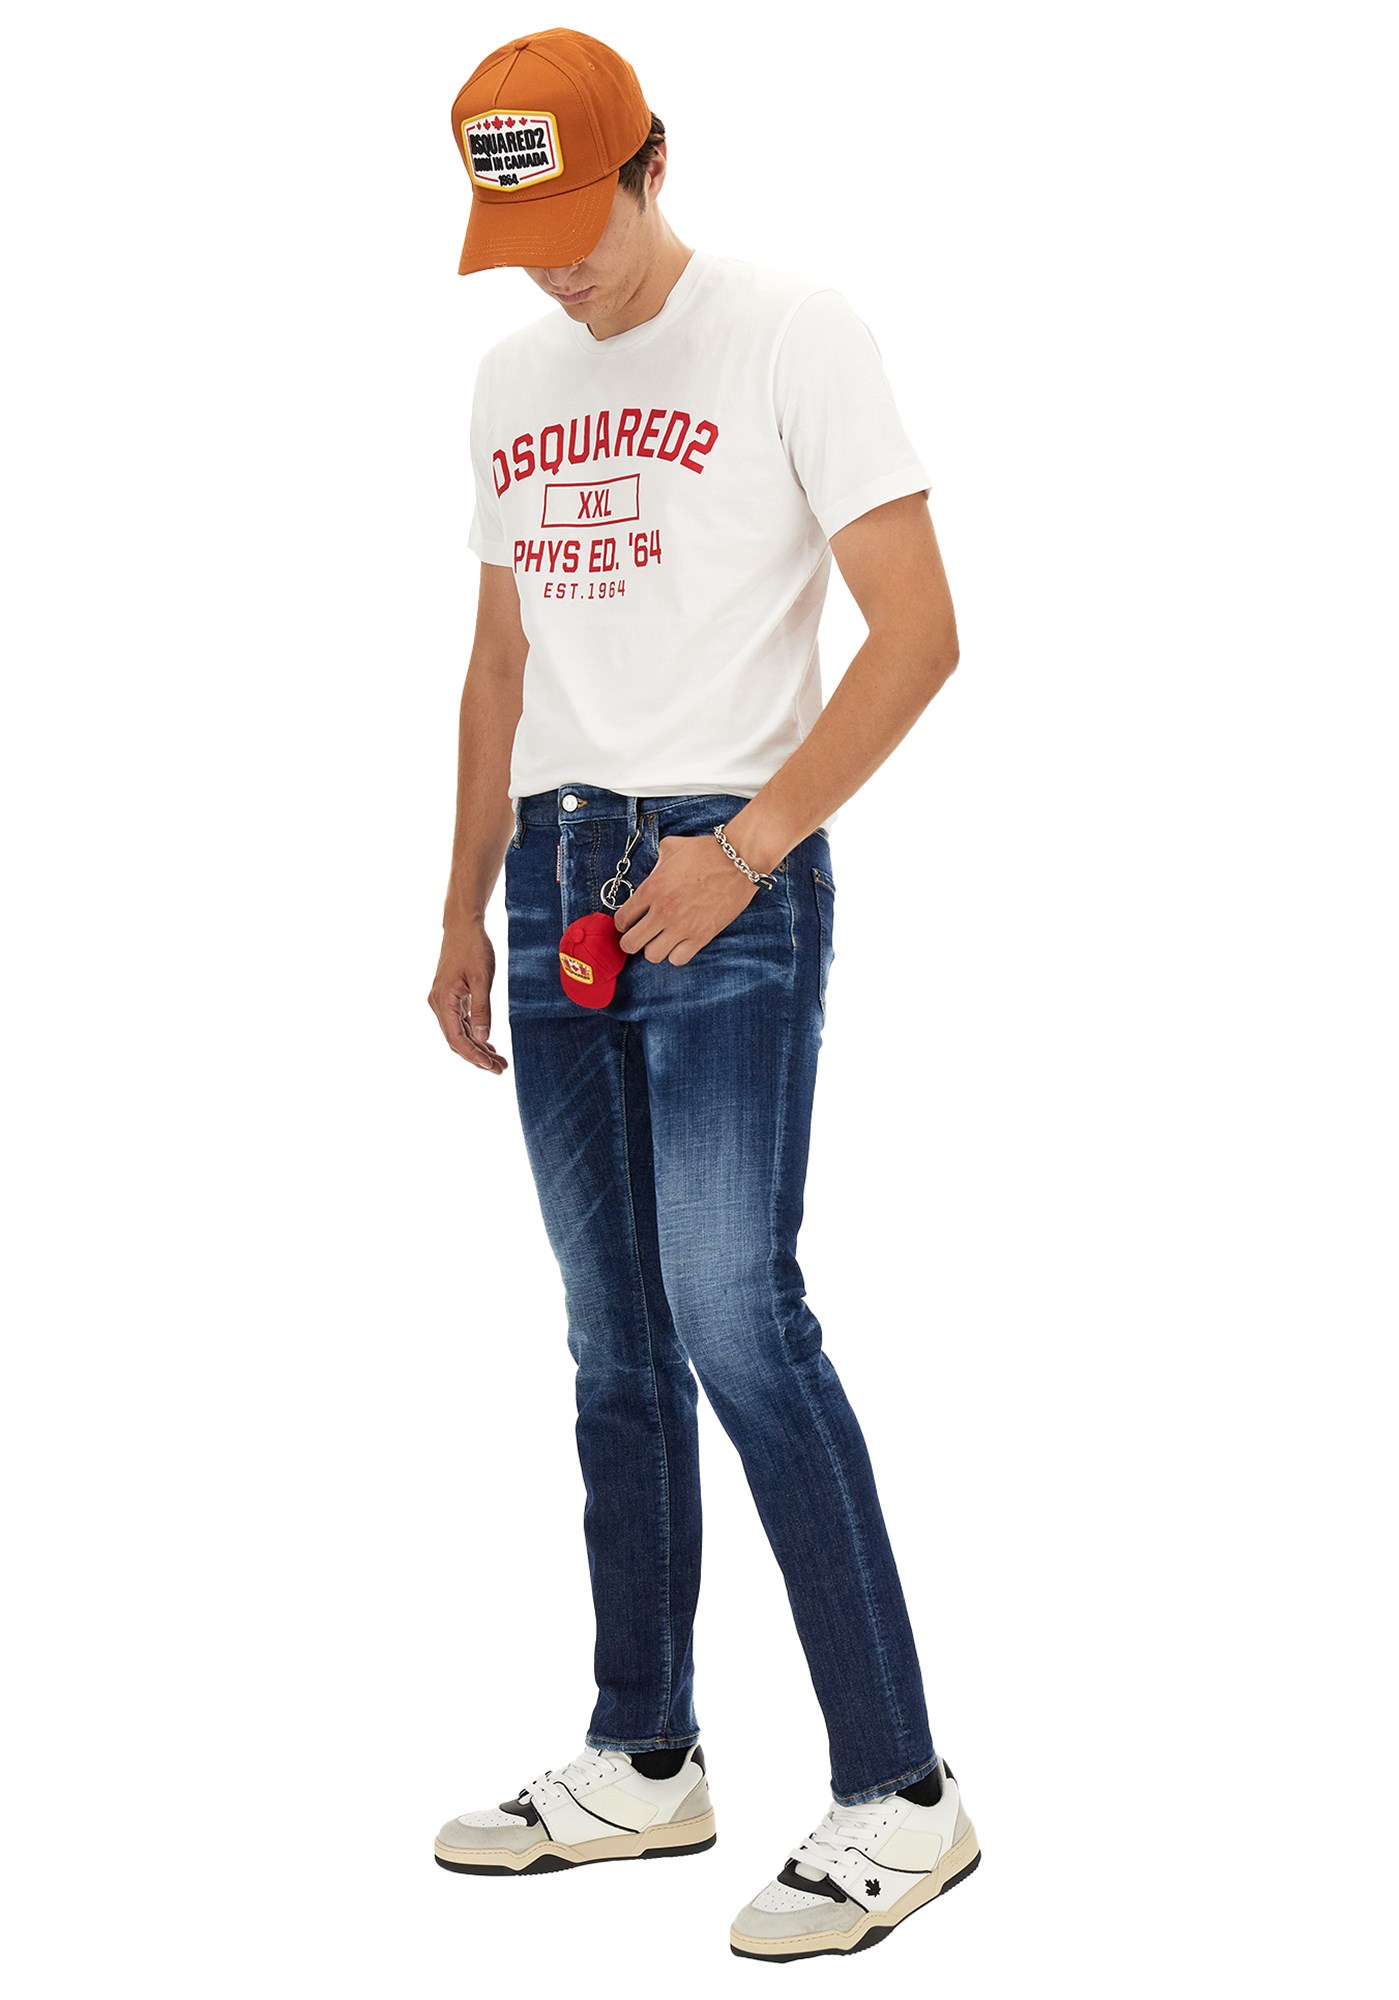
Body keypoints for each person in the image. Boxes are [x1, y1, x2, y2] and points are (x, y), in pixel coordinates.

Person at [427, 28, 979, 1962]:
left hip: (724, 875)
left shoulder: (790, 333)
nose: (558, 272)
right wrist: (460, 903)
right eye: (521, 241)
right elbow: (499, 669)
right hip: (558, 873)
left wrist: (744, 849)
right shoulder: (509, 380)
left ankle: (903, 1791)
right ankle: (645, 1752)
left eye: (580, 227)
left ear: (655, 167)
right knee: (611, 1340)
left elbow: (921, 634)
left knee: (739, 1310)